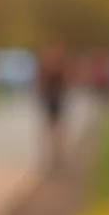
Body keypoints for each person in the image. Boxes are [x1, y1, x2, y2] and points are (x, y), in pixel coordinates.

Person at [34, 37, 69, 171]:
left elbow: (65, 81)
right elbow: (40, 82)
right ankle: (53, 156)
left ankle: (57, 155)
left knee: (56, 129)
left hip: (56, 99)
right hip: (50, 99)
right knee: (52, 129)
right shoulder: (48, 65)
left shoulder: (56, 65)